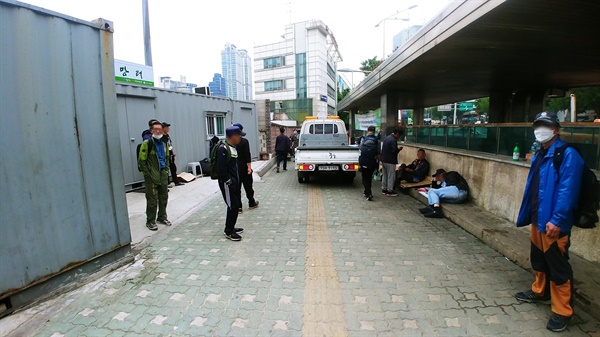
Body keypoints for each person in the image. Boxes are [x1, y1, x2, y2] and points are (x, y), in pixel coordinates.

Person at [514, 111, 584, 332]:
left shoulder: (568, 155)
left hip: (554, 223)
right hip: (538, 219)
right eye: (538, 125)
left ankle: (563, 311)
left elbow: (567, 190)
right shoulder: (540, 154)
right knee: (539, 258)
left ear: (557, 129)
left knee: (558, 266)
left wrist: (558, 219)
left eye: (546, 125)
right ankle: (539, 291)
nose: (540, 130)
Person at [138, 121, 172, 231]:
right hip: (152, 175)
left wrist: (166, 170)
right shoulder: (147, 143)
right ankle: (150, 221)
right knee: (152, 199)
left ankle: (162, 217)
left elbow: (166, 158)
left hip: (162, 173)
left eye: (160, 129)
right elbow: (141, 161)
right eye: (155, 129)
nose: (158, 131)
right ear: (151, 131)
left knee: (164, 197)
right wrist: (147, 175)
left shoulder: (164, 143)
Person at [217, 126, 245, 241]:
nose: (240, 138)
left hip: (234, 183)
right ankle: (228, 231)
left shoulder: (232, 147)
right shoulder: (223, 149)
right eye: (239, 136)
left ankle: (231, 227)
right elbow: (221, 168)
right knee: (232, 206)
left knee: (235, 205)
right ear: (233, 136)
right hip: (228, 183)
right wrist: (228, 181)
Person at [233, 123, 259, 213]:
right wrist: (249, 168)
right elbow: (247, 155)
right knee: (248, 186)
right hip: (244, 167)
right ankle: (251, 202)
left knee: (237, 188)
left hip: (234, 169)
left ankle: (239, 207)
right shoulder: (244, 141)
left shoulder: (229, 142)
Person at [359, 126, 380, 201]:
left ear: (367, 131)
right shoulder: (377, 140)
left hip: (364, 161)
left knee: (364, 178)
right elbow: (378, 153)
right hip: (372, 162)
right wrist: (378, 163)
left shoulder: (363, 139)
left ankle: (368, 193)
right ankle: (367, 191)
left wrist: (359, 163)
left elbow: (360, 150)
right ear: (374, 131)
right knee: (369, 178)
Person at [380, 128, 403, 197]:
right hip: (390, 161)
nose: (399, 137)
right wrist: (399, 149)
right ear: (397, 134)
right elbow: (394, 151)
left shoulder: (387, 138)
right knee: (391, 176)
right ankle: (390, 190)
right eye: (399, 136)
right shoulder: (393, 140)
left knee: (385, 175)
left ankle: (384, 189)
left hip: (384, 160)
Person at [162, 122, 183, 186]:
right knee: (166, 169)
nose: (168, 128)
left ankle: (176, 181)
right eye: (167, 127)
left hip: (170, 154)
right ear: (163, 128)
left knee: (173, 168)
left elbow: (170, 145)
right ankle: (167, 183)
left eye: (168, 127)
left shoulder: (167, 135)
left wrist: (173, 152)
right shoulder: (161, 136)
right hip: (165, 155)